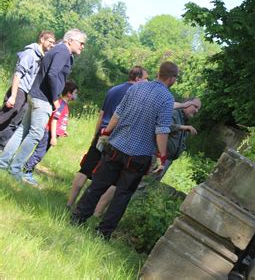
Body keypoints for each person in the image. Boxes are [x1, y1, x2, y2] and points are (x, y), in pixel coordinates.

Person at [71, 61, 178, 240]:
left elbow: (118, 113)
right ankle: (103, 232)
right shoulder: (167, 99)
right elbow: (162, 130)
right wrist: (162, 155)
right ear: (172, 78)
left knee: (98, 184)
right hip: (139, 155)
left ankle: (78, 217)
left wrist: (106, 132)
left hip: (116, 145)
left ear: (159, 73)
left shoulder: (137, 88)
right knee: (122, 195)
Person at [0, 29, 86, 182]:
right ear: (70, 40)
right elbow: (52, 74)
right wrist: (54, 100)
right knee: (35, 134)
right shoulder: (63, 52)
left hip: (35, 95)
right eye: (81, 43)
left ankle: (3, 163)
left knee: (23, 130)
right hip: (43, 99)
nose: (83, 46)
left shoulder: (58, 50)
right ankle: (14, 169)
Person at [66, 66, 149, 212]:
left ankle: (69, 203)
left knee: (86, 168)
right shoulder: (137, 95)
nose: (147, 83)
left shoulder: (113, 89)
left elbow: (102, 114)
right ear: (137, 78)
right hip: (117, 139)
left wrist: (96, 133)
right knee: (110, 178)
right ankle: (96, 212)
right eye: (145, 79)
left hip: (102, 133)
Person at [0, 30, 56, 150]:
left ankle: (1, 148)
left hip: (28, 95)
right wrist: (13, 96)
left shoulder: (43, 57)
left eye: (53, 43)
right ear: (42, 39)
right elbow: (17, 75)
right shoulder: (30, 54)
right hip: (19, 91)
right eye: (50, 42)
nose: (52, 45)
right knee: (4, 117)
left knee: (14, 123)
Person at [21, 82, 78, 186]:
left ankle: (27, 170)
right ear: (69, 94)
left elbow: (58, 121)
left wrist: (62, 131)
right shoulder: (61, 105)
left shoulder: (63, 105)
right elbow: (54, 120)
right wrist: (53, 137)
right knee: (39, 153)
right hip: (49, 133)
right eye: (75, 93)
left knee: (41, 153)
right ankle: (26, 171)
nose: (76, 95)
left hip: (52, 132)